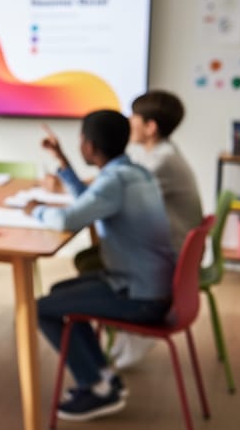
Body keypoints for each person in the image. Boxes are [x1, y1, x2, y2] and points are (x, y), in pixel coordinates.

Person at [24, 110, 176, 422]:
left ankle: (96, 386)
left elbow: (68, 218)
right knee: (60, 293)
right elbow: (90, 201)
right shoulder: (131, 173)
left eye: (80, 140)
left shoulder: (115, 181)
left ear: (90, 147)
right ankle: (104, 378)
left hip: (140, 296)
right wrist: (63, 160)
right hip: (148, 284)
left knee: (40, 307)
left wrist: (36, 211)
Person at [69, 92, 204, 369]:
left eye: (135, 118)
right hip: (175, 246)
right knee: (92, 258)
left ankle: (131, 327)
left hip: (168, 254)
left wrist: (70, 183)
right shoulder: (163, 153)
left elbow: (111, 190)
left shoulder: (160, 162)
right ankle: (124, 331)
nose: (130, 123)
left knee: (91, 261)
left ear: (150, 127)